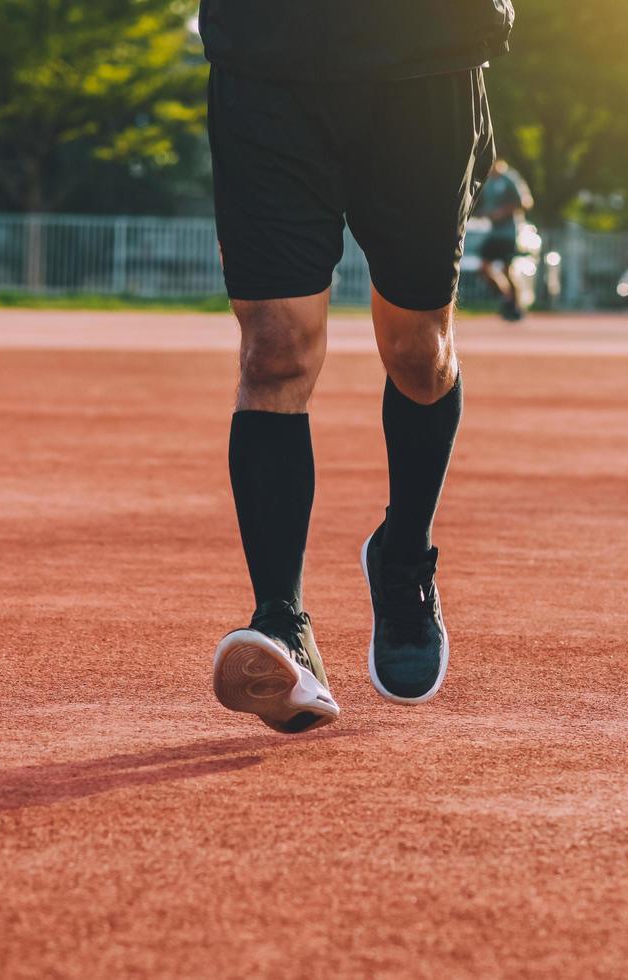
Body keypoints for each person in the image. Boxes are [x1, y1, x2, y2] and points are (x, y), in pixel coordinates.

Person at [199, 1, 515, 733]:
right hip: (267, 61)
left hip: (424, 55)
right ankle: (282, 625)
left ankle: (403, 556)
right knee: (274, 350)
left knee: (418, 351)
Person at [476, 158, 534, 321]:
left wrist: (502, 212)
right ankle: (505, 297)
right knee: (483, 268)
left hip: (508, 233)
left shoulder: (509, 179)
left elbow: (524, 202)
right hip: (493, 233)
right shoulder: (487, 182)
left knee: (507, 269)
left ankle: (516, 305)